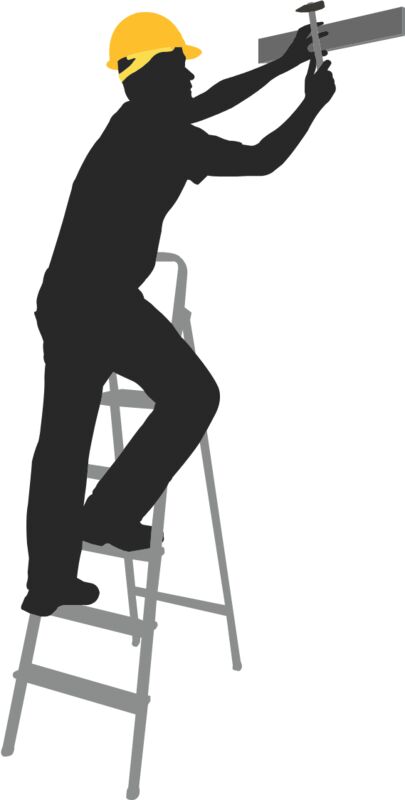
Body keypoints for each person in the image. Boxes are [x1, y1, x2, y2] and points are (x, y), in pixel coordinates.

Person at [22, 12, 335, 616]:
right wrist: (312, 104)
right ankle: (107, 515)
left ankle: (50, 581)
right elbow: (263, 158)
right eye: (180, 65)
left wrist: (282, 65)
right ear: (155, 73)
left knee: (61, 443)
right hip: (103, 304)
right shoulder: (166, 134)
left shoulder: (136, 121)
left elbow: (213, 100)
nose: (191, 75)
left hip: (66, 301)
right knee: (194, 396)